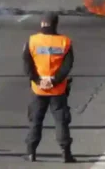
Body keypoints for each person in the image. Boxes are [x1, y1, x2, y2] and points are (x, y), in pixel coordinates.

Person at [22, 12, 76, 163]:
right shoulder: (65, 42)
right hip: (58, 90)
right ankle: (66, 153)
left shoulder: (32, 41)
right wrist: (53, 82)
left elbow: (27, 65)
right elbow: (67, 66)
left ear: (42, 23)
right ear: (56, 24)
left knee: (35, 120)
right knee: (61, 121)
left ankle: (31, 153)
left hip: (38, 89)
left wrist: (38, 80)